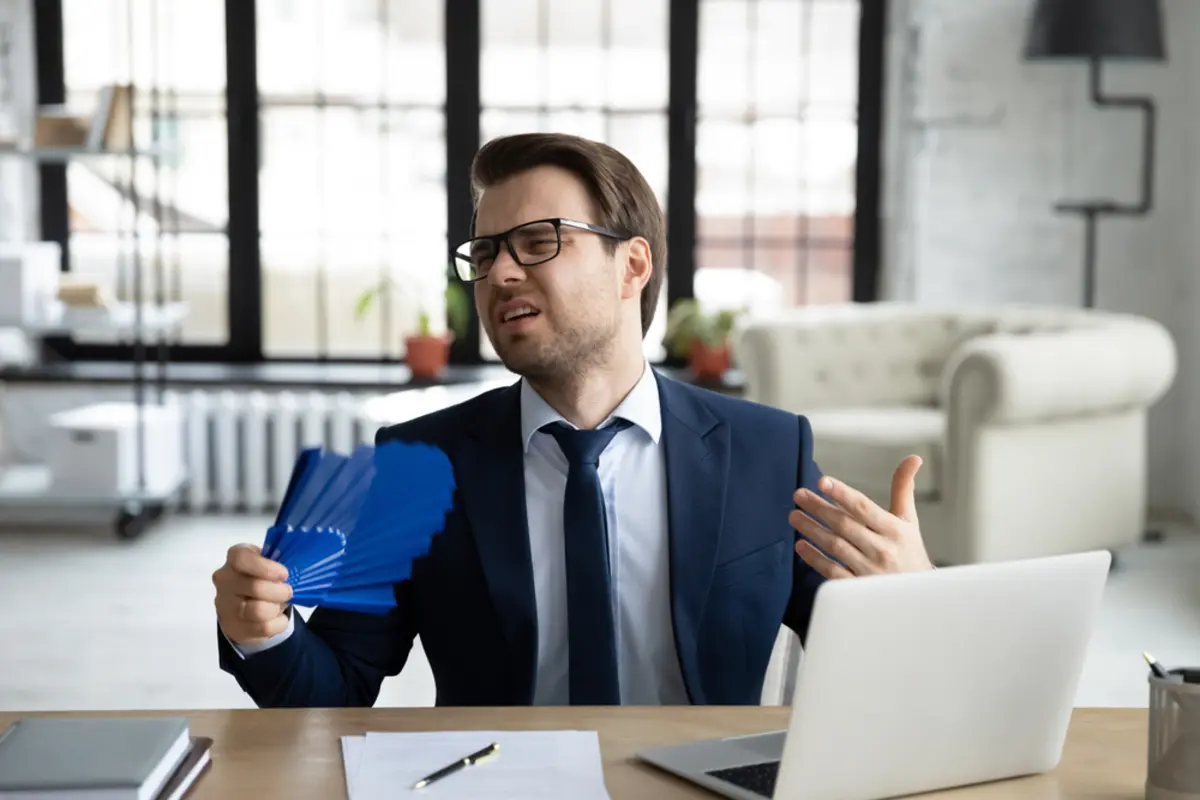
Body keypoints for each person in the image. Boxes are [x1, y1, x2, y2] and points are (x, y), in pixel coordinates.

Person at [213, 132, 935, 708]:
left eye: (538, 242)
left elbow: (871, 677)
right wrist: (264, 632)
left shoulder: (765, 452)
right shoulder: (417, 462)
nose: (499, 273)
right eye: (488, 251)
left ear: (633, 266)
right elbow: (337, 687)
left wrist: (914, 597)